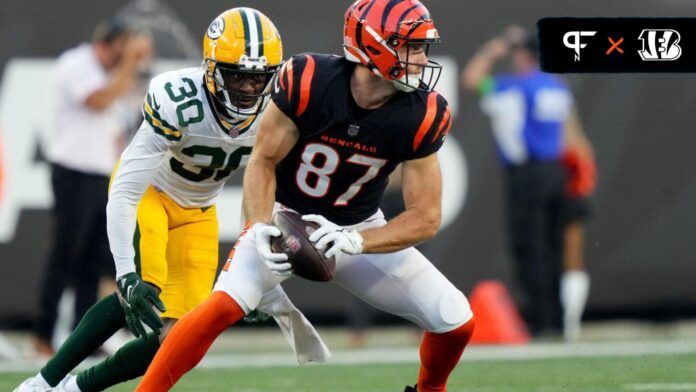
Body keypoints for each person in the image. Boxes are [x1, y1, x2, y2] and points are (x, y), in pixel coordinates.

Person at [137, 1, 475, 391]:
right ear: (375, 47)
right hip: (284, 218)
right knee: (221, 307)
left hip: (354, 228)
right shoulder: (310, 79)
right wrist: (259, 226)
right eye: (412, 47)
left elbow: (426, 216)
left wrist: (357, 240)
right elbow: (263, 161)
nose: (421, 59)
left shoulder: (423, 113)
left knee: (454, 318)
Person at [14, 8, 304, 392]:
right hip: (151, 193)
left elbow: (264, 186)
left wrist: (260, 270)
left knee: (183, 335)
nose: (249, 88)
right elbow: (126, 188)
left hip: (199, 211)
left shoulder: (278, 111)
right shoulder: (178, 100)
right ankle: (41, 383)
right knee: (139, 293)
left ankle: (74, 389)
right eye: (238, 76)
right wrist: (124, 273)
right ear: (212, 69)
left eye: (258, 78)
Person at [32, 18, 152, 358]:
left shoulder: (116, 75)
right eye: (123, 47)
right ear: (108, 43)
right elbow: (98, 100)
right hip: (73, 172)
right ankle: (43, 333)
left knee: (95, 260)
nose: (126, 55)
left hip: (103, 175)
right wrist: (129, 64)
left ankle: (80, 336)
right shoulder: (76, 63)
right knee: (65, 254)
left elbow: (132, 104)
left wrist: (135, 65)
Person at [461, 27, 576, 337]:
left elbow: (471, 81)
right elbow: (568, 133)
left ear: (521, 54)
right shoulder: (556, 85)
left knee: (530, 247)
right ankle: (557, 320)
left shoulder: (515, 87)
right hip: (556, 170)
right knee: (553, 249)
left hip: (527, 175)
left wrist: (491, 50)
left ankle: (539, 322)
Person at [560, 112, 596, 341]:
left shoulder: (572, 144)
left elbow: (584, 160)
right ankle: (565, 322)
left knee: (572, 257)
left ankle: (570, 322)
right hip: (546, 185)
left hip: (568, 190)